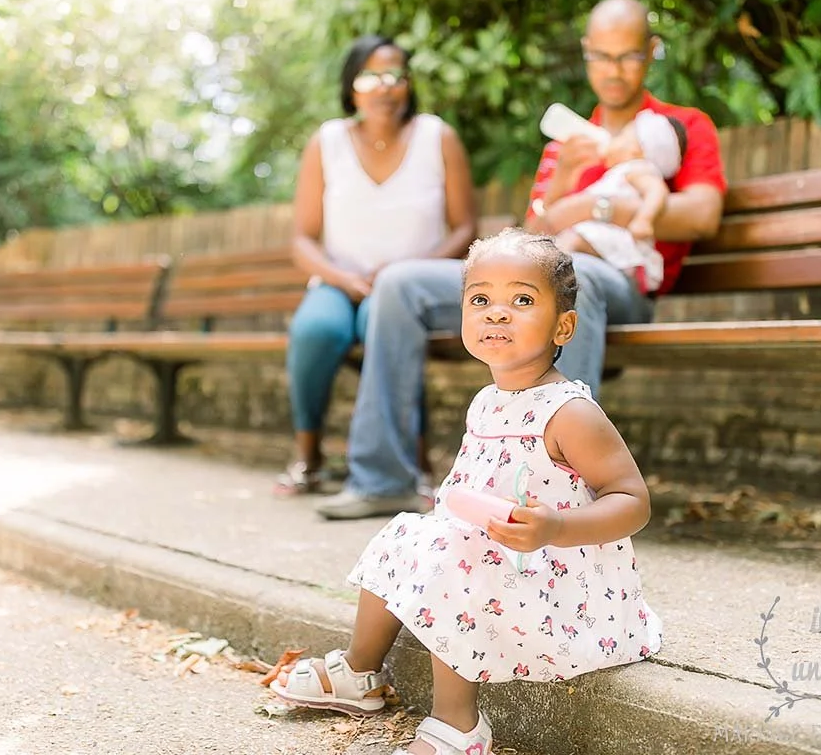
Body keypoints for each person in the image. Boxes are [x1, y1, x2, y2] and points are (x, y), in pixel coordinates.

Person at [314, 0, 725, 521]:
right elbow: (531, 248)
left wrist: (599, 204)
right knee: (399, 284)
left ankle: (557, 492)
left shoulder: (678, 126)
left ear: (652, 51)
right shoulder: (568, 139)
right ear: (585, 55)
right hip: (549, 278)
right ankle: (382, 480)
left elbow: (701, 215)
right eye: (601, 56)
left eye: (628, 56)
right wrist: (562, 184)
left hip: (619, 286)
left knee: (573, 275)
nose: (613, 70)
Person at [270, 230, 661, 755]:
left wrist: (558, 526)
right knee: (404, 533)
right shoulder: (486, 401)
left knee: (457, 556)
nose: (497, 313)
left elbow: (633, 501)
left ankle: (459, 724)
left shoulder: (569, 412)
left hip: (560, 586)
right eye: (481, 300)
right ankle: (360, 673)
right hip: (501, 559)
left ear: (563, 325)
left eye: (522, 300)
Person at [276, 34, 477, 496]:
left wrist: (406, 273)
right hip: (338, 281)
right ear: (352, 87)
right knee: (315, 331)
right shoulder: (326, 141)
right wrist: (342, 279)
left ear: (407, 85)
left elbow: (465, 228)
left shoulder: (436, 136)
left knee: (385, 326)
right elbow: (303, 239)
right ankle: (307, 454)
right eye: (370, 76)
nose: (383, 87)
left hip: (404, 287)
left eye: (394, 75)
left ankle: (416, 461)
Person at [562, 109, 687, 294]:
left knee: (568, 241)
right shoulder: (618, 173)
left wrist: (644, 219)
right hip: (602, 240)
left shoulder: (637, 169)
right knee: (566, 241)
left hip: (618, 240)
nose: (612, 139)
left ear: (635, 150)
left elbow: (657, 191)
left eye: (621, 136)